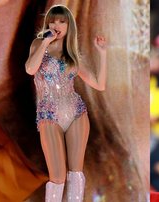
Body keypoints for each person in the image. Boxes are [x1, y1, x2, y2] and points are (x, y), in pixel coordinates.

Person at [25, 5, 107, 202]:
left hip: (76, 113)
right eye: (53, 20)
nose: (56, 25)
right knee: (58, 176)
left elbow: (99, 84)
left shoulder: (73, 54)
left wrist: (103, 54)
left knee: (75, 173)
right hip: (49, 115)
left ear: (70, 25)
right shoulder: (38, 44)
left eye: (62, 21)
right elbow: (30, 69)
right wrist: (45, 43)